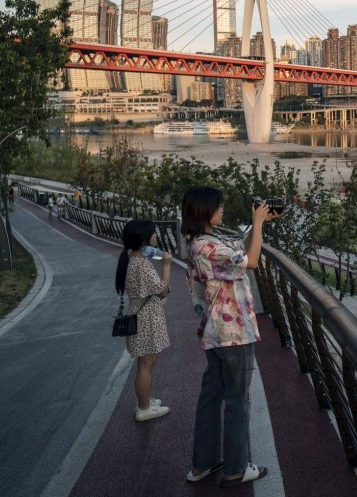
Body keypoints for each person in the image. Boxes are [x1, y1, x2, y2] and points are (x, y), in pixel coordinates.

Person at [182, 186, 276, 487]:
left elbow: (241, 251)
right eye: (219, 207)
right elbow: (250, 262)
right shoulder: (208, 248)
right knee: (238, 399)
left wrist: (257, 224)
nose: (222, 211)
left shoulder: (201, 243)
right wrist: (258, 224)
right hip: (232, 332)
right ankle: (235, 468)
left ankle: (203, 463)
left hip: (214, 332)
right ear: (207, 210)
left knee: (211, 397)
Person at [115, 219, 172, 422]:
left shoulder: (131, 258)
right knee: (146, 365)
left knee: (146, 363)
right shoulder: (142, 265)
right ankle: (144, 408)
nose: (156, 236)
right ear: (144, 239)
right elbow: (162, 291)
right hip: (147, 319)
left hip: (140, 315)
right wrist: (166, 265)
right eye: (153, 233)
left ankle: (145, 401)